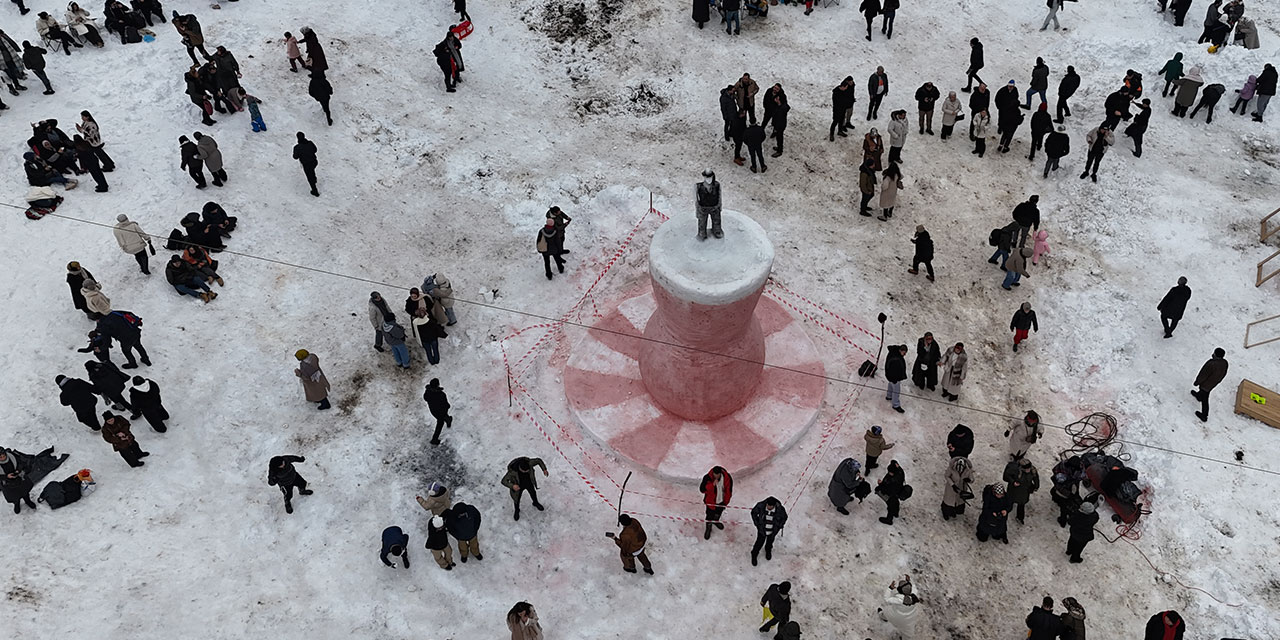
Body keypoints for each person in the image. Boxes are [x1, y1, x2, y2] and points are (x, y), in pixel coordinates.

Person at [502, 456, 548, 520]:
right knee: (517, 499)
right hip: (518, 486)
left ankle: (535, 502)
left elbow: (538, 460)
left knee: (533, 493)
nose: (527, 472)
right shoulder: (512, 472)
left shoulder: (529, 463)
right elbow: (503, 481)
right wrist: (512, 486)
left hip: (528, 482)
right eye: (525, 471)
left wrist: (544, 469)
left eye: (528, 470)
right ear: (520, 469)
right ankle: (517, 510)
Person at [1191, 348, 1229, 421]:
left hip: (1206, 384)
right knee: (1203, 393)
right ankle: (1199, 396)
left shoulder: (1211, 363)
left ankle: (1204, 415)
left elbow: (1203, 374)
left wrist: (1197, 382)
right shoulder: (1225, 363)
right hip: (1213, 383)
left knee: (1205, 399)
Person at [750, 497, 787, 565]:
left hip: (773, 531)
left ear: (774, 506)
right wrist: (757, 523)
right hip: (762, 530)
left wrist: (779, 526)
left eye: (771, 506)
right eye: (768, 505)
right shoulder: (760, 506)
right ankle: (754, 554)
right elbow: (753, 513)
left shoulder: (780, 509)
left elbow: (784, 517)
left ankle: (768, 550)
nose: (769, 507)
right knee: (759, 543)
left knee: (770, 542)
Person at [1002, 457, 1040, 523]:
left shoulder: (1032, 470)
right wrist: (1013, 482)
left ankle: (1020, 518)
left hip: (1024, 491)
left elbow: (1036, 478)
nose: (1028, 470)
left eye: (1029, 468)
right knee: (1010, 500)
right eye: (1026, 469)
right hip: (1013, 489)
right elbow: (1006, 476)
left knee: (1021, 505)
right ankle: (1006, 510)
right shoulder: (1014, 469)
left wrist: (1036, 486)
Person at [700, 466, 732, 539]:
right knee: (709, 516)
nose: (716, 476)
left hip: (721, 502)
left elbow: (729, 490)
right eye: (715, 474)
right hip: (711, 503)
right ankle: (708, 527)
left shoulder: (727, 478)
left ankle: (716, 521)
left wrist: (726, 502)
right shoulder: (707, 478)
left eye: (718, 474)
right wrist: (712, 485)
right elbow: (702, 489)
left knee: (718, 514)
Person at [941, 455, 973, 520]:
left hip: (961, 489)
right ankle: (946, 513)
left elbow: (972, 479)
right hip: (951, 489)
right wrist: (952, 485)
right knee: (949, 501)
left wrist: (969, 480)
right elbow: (947, 476)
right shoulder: (951, 468)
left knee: (958, 502)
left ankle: (954, 512)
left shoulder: (968, 470)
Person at [875, 459, 906, 525]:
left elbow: (887, 489)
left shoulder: (893, 481)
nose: (889, 473)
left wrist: (880, 485)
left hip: (893, 493)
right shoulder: (900, 472)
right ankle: (896, 513)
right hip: (898, 491)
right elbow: (894, 462)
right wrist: (894, 463)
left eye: (890, 472)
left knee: (891, 505)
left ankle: (889, 519)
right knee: (896, 503)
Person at [423, 378, 453, 445]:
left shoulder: (427, 391)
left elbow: (425, 398)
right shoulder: (441, 394)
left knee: (444, 419)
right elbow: (445, 404)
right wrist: (448, 406)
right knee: (440, 423)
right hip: (441, 412)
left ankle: (448, 420)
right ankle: (434, 439)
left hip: (433, 411)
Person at [884, 344, 907, 412]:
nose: (904, 355)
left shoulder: (893, 352)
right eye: (904, 353)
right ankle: (896, 405)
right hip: (894, 377)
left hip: (890, 376)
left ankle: (889, 396)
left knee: (891, 384)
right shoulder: (896, 359)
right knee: (896, 391)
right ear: (901, 350)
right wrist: (895, 378)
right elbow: (894, 370)